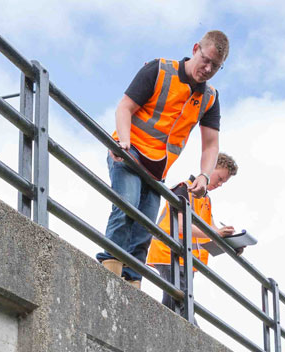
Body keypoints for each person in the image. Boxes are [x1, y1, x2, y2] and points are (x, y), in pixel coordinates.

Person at [96, 31, 230, 290]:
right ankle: (108, 268)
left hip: (157, 167)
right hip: (129, 151)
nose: (208, 68)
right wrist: (123, 142)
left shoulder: (210, 98)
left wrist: (204, 174)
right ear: (195, 49)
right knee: (126, 206)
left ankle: (131, 280)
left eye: (216, 66)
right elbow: (124, 107)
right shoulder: (158, 70)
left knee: (145, 226)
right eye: (206, 60)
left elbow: (211, 143)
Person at [147, 153, 239, 316]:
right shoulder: (185, 188)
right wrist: (215, 232)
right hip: (169, 252)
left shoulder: (206, 200)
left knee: (176, 304)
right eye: (220, 178)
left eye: (224, 182)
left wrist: (233, 243)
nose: (220, 184)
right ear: (210, 167)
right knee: (181, 305)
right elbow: (181, 227)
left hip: (186, 259)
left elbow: (213, 232)